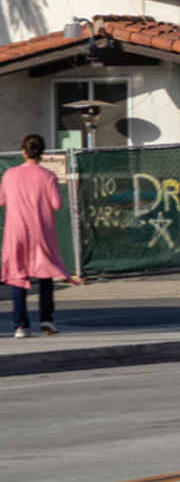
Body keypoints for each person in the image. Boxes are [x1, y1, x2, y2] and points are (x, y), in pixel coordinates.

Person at [2, 134, 77, 338]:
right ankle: (46, 319)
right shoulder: (48, 176)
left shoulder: (9, 174)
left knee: (18, 276)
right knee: (45, 274)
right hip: (41, 232)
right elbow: (56, 204)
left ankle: (21, 326)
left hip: (16, 231)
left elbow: (1, 200)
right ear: (42, 153)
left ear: (23, 152)